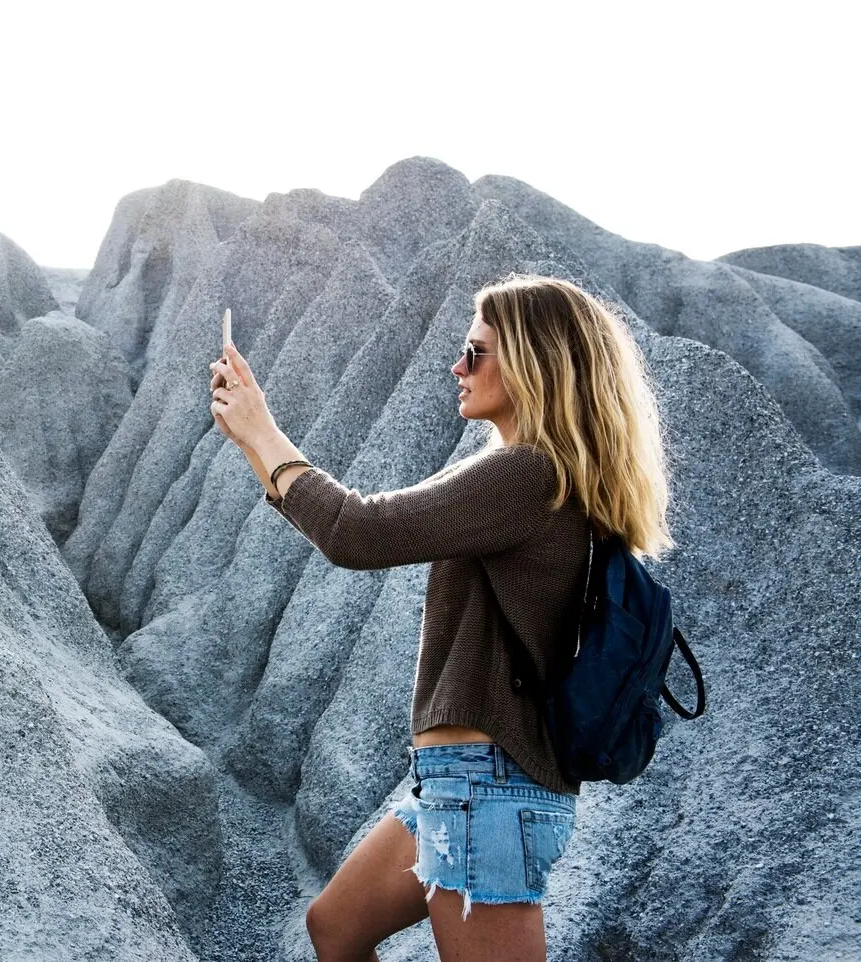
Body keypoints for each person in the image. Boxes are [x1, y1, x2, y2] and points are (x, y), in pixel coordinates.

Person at [208, 274, 673, 962]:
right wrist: (252, 442)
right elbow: (352, 527)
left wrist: (264, 431)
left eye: (477, 353)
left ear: (533, 363)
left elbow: (360, 532)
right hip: (459, 782)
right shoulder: (535, 477)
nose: (457, 367)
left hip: (489, 787)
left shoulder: (528, 476)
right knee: (334, 929)